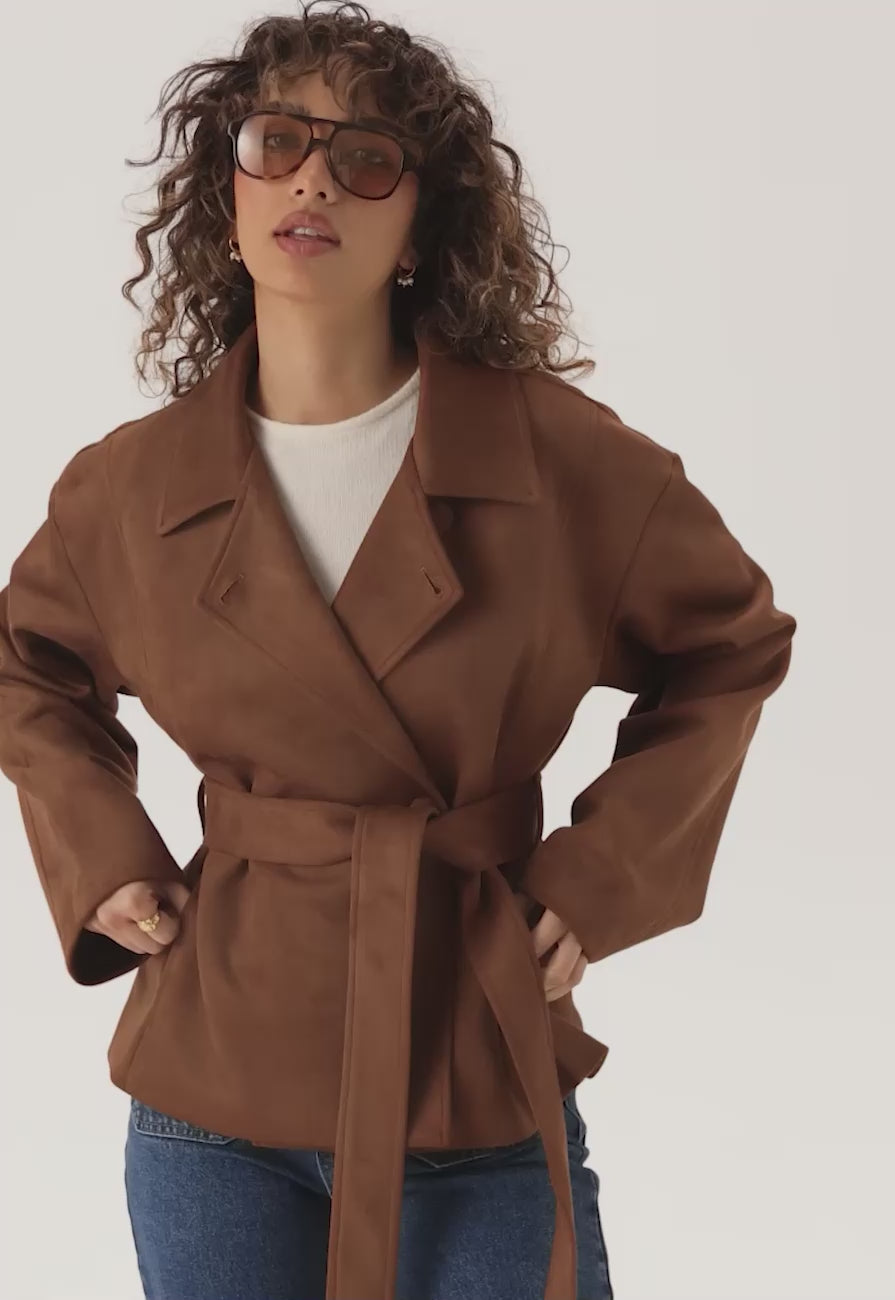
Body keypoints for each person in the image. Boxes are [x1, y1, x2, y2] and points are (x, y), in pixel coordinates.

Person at [0, 4, 796, 1299]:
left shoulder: (560, 461)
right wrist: (99, 854)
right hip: (213, 1094)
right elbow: (25, 662)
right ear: (227, 196)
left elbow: (728, 646)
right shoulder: (129, 489)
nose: (313, 179)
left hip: (472, 1062)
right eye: (277, 142)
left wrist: (603, 875)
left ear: (424, 227)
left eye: (366, 157)